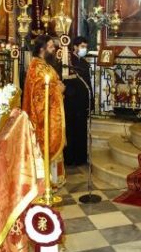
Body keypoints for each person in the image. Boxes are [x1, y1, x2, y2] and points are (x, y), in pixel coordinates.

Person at [23, 34, 66, 186]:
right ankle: (45, 183)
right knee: (45, 145)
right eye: (51, 46)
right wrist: (58, 90)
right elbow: (38, 95)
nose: (54, 49)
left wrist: (57, 87)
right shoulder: (36, 67)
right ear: (42, 49)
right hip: (42, 118)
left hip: (50, 113)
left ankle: (54, 179)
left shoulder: (44, 65)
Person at [63, 36, 92, 166]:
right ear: (75, 47)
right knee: (71, 130)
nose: (84, 49)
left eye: (86, 47)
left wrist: (90, 101)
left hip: (82, 102)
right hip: (71, 102)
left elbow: (88, 83)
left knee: (81, 130)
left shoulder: (84, 63)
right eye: (82, 46)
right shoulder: (68, 61)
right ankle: (70, 158)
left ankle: (80, 158)